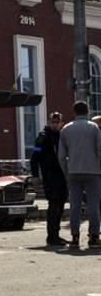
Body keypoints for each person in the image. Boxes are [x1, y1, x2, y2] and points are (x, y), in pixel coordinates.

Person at [58, 101, 101, 249]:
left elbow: (62, 155)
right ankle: (94, 236)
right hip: (93, 171)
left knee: (75, 206)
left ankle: (75, 237)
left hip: (74, 172)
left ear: (74, 112)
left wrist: (66, 171)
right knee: (93, 206)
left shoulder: (65, 129)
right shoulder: (94, 128)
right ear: (87, 111)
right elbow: (99, 149)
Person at [30, 112, 67, 246]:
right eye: (53, 121)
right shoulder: (43, 137)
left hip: (62, 176)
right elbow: (34, 157)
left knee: (60, 205)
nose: (55, 124)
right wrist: (35, 175)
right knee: (54, 206)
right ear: (49, 122)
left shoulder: (62, 136)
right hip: (50, 176)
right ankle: (51, 236)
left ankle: (56, 234)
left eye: (58, 122)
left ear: (61, 123)